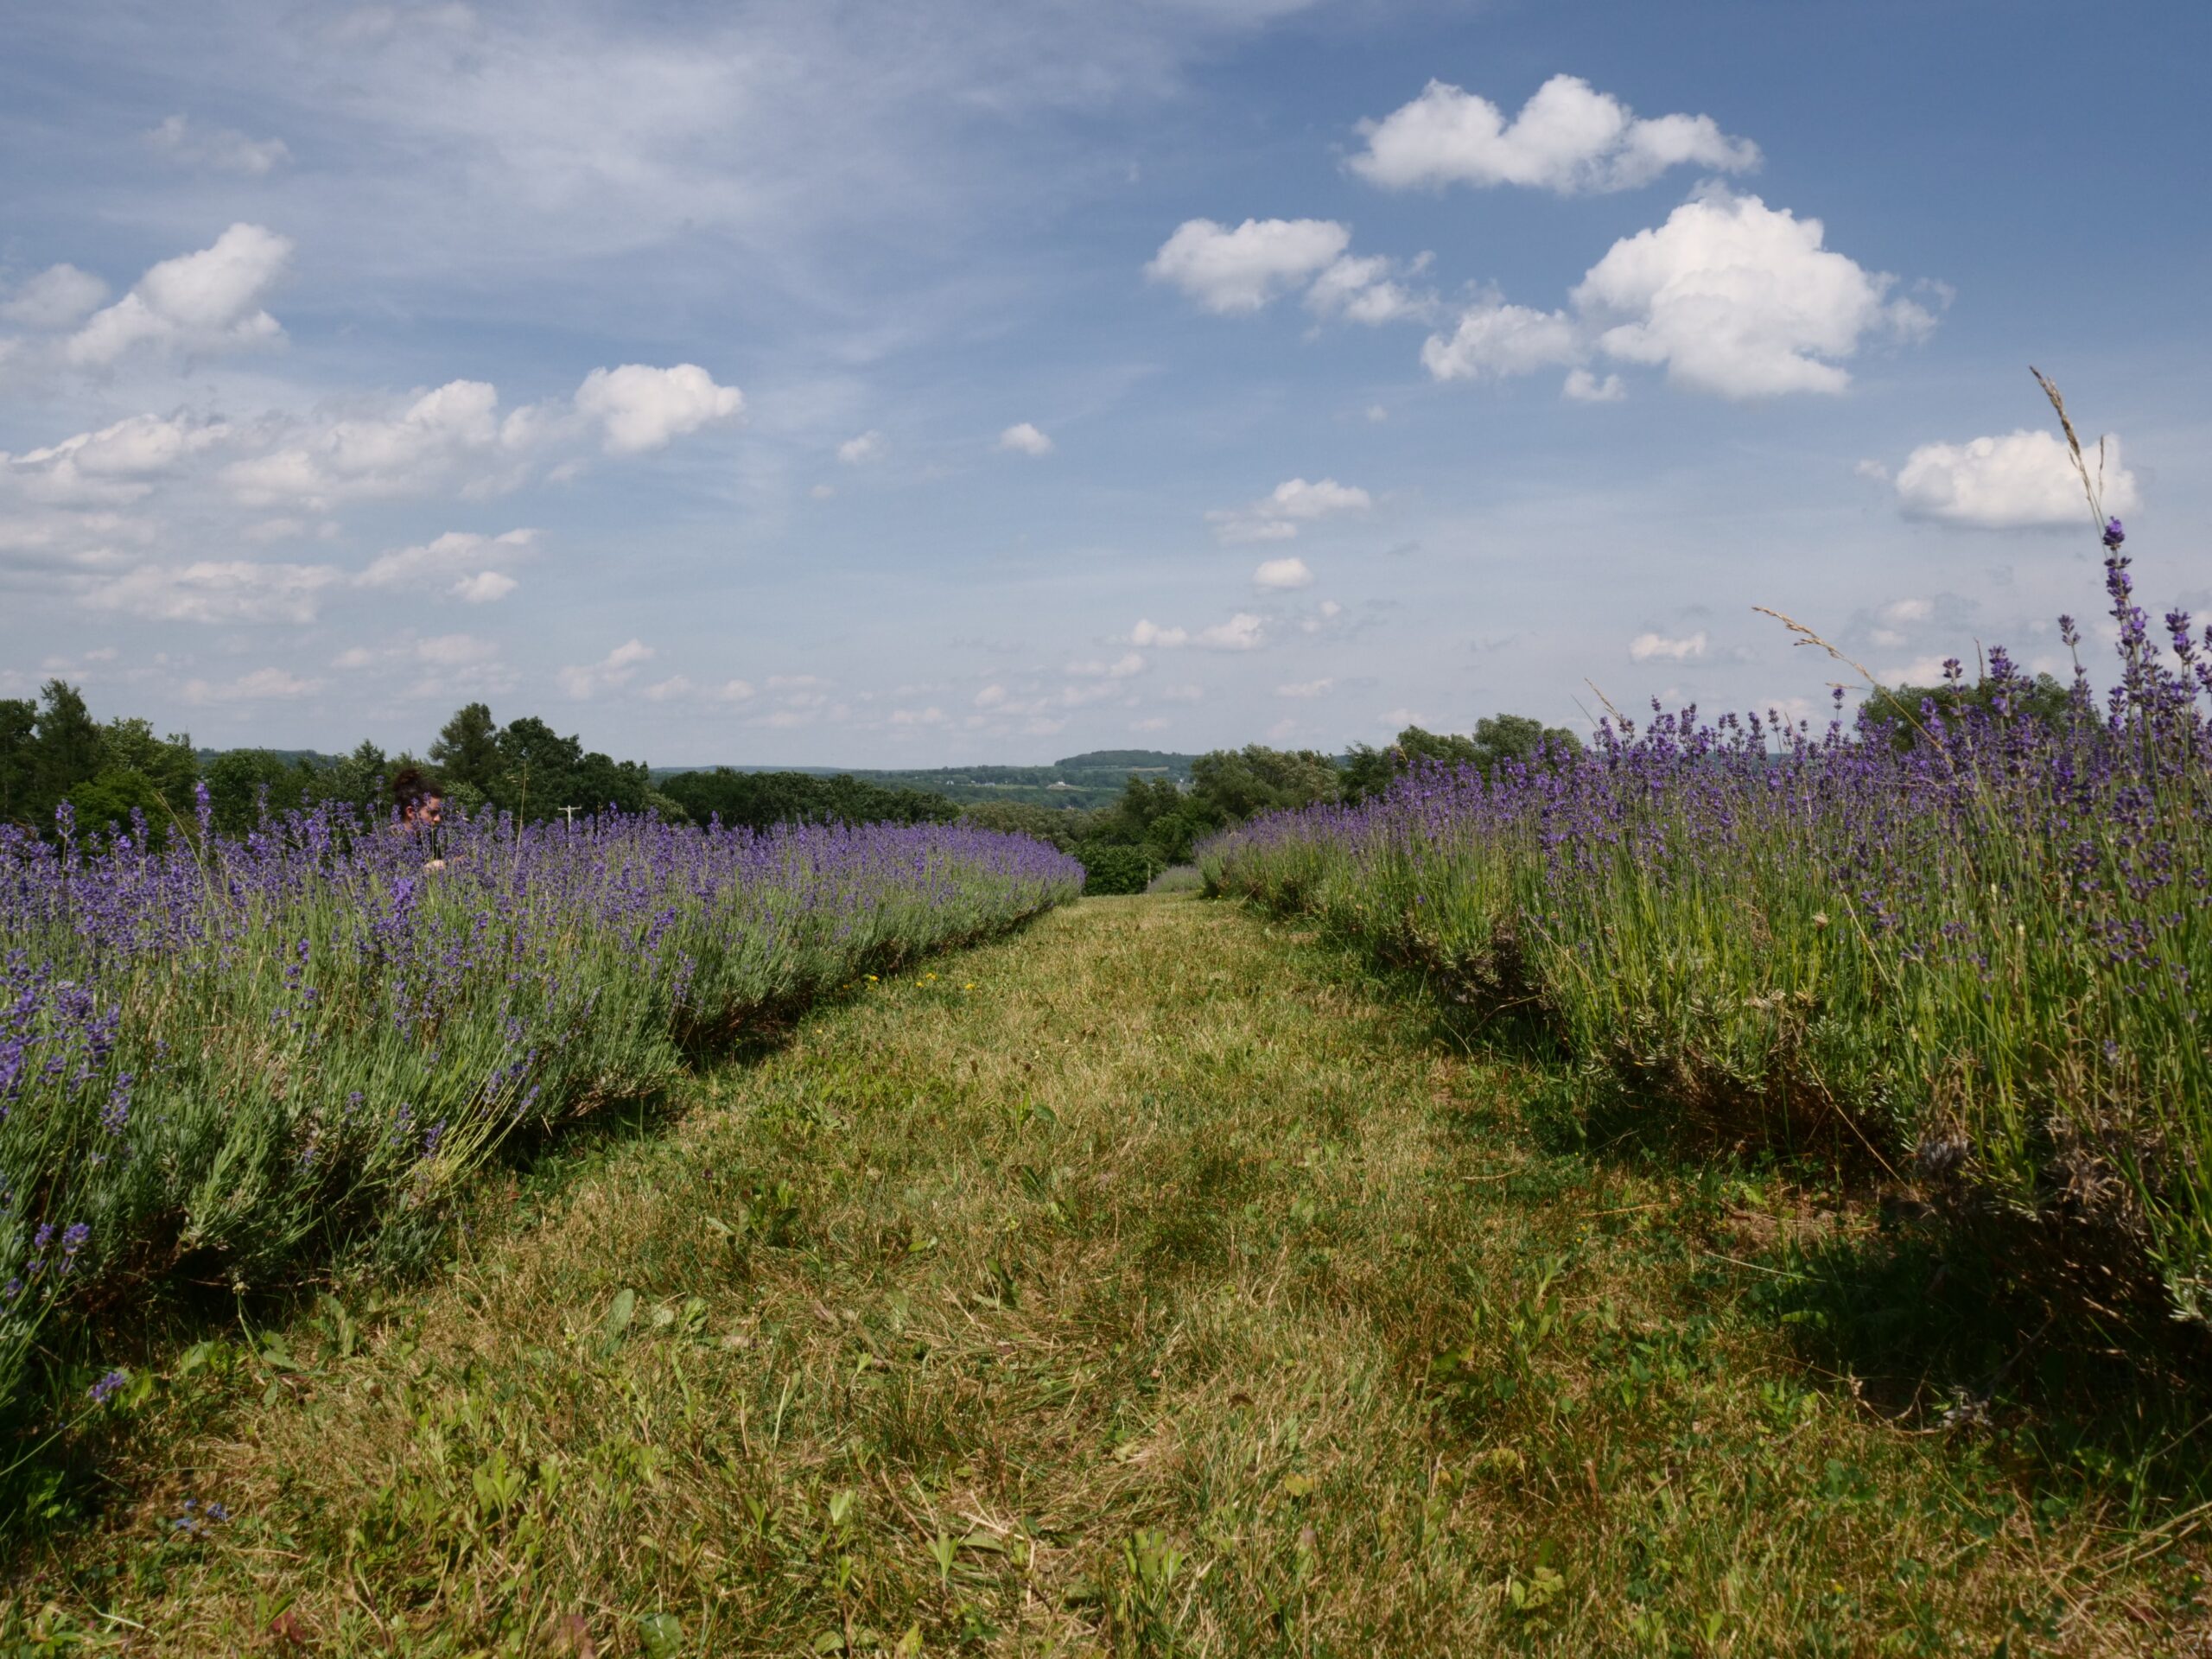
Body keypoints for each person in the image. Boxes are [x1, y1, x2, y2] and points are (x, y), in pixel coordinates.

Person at [391, 766, 447, 869]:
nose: (438, 819)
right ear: (411, 812)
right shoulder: (383, 845)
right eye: (432, 813)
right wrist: (424, 872)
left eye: (439, 813)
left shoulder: (430, 841)